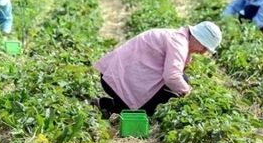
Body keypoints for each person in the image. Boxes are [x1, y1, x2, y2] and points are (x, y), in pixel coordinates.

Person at [91, 21, 222, 118]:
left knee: (178, 84)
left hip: (116, 76)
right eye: (204, 47)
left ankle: (106, 105)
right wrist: (188, 94)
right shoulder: (179, 43)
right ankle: (110, 106)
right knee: (172, 92)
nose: (204, 52)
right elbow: (172, 76)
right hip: (115, 79)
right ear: (198, 38)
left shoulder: (179, 39)